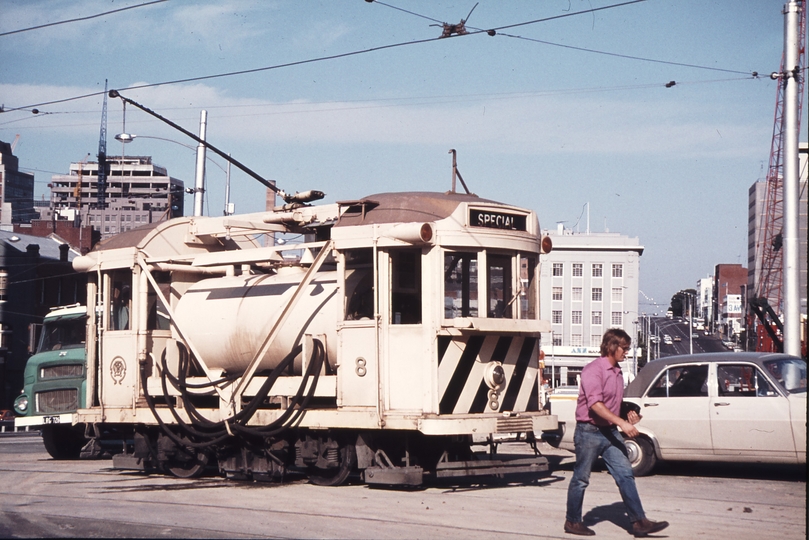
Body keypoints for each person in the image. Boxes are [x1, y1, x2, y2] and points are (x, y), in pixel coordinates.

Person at [564, 328, 669, 537]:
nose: (626, 353)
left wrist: (630, 416)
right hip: (589, 432)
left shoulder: (618, 372)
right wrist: (622, 423)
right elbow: (595, 404)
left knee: (625, 474)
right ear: (612, 346)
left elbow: (614, 404)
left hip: (610, 432)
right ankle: (573, 521)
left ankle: (639, 522)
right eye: (624, 348)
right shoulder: (593, 370)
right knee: (581, 478)